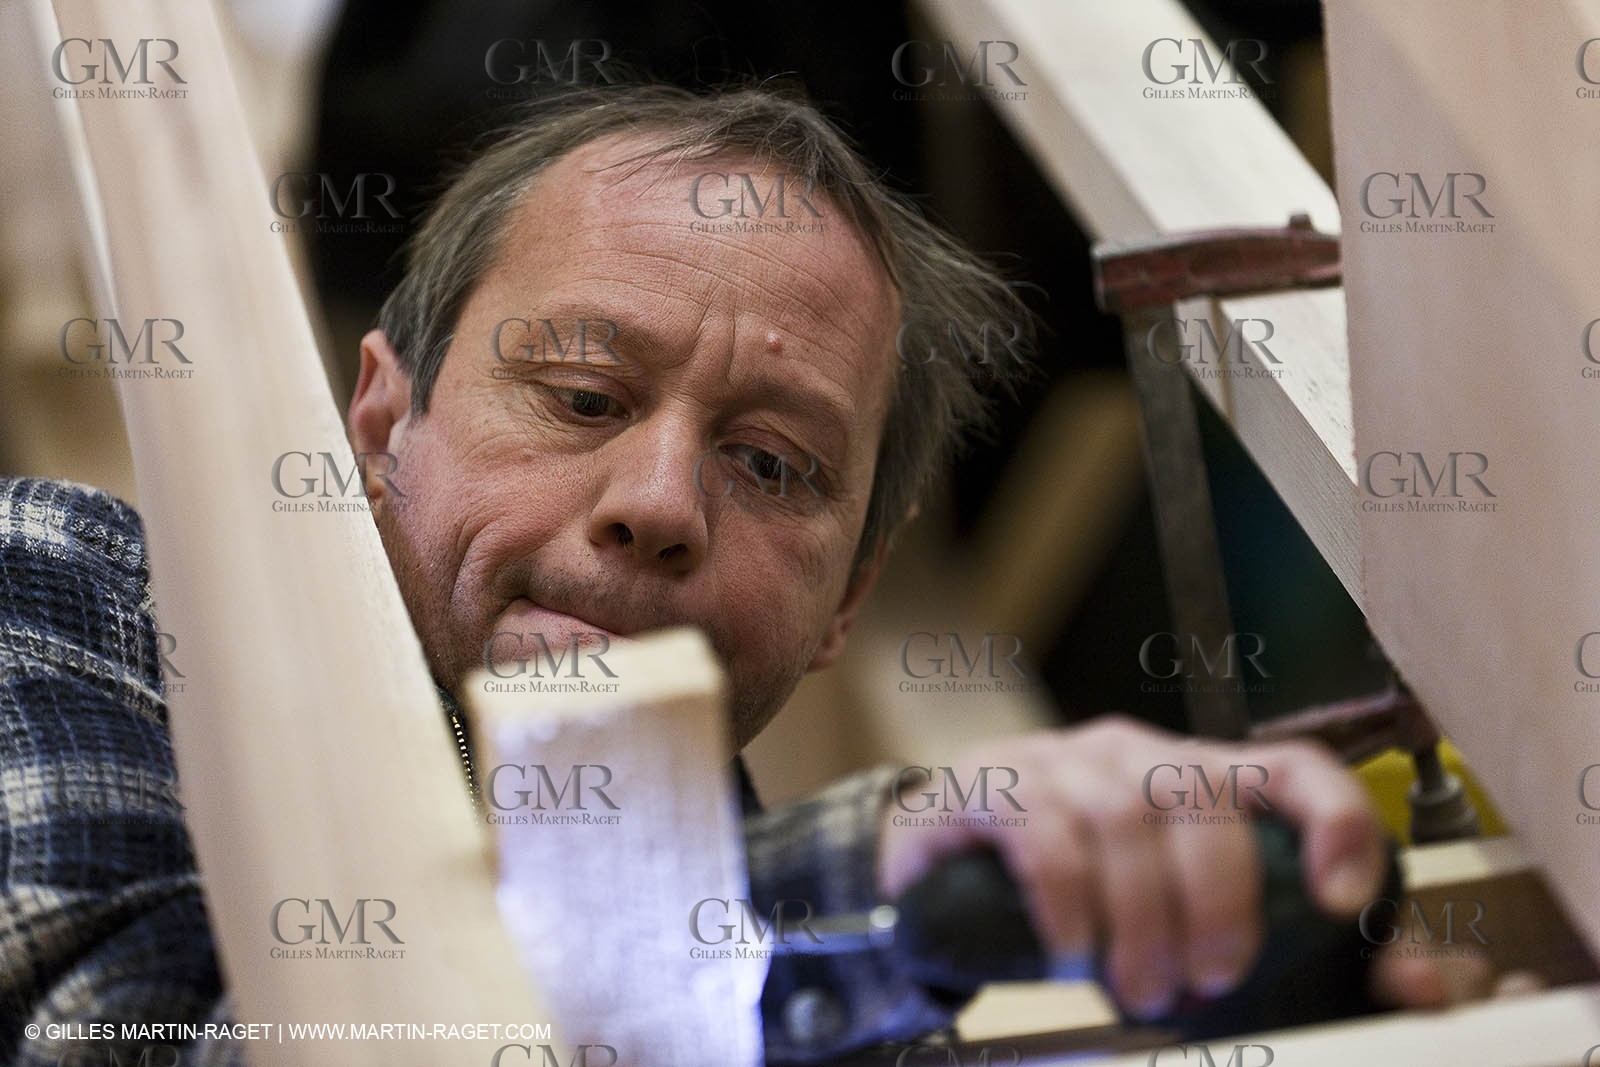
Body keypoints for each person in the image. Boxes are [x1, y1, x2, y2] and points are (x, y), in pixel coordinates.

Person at [0, 84, 1452, 1067]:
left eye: (772, 465)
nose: (656, 505)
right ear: (384, 425)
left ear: (847, 600)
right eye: (578, 394)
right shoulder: (78, 598)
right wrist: (884, 866)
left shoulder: (865, 1012)